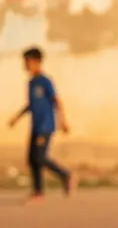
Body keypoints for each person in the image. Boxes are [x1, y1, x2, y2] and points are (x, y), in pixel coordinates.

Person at [7, 47, 75, 202]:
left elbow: (56, 101)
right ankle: (38, 191)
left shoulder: (45, 81)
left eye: (27, 62)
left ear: (36, 62)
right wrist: (17, 118)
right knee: (31, 158)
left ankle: (65, 175)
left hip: (46, 126)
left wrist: (62, 121)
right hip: (35, 126)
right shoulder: (31, 83)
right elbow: (30, 105)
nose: (25, 66)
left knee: (40, 157)